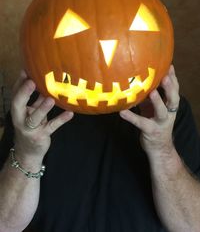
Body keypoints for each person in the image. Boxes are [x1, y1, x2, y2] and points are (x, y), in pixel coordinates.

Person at [0, 65, 200, 232]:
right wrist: (27, 153)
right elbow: (5, 225)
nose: (107, 51)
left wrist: (162, 148)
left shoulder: (167, 113)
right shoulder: (32, 114)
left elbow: (192, 225)